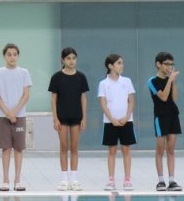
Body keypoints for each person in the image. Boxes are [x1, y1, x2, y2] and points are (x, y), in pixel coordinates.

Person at [0, 44, 32, 193]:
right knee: (6, 148)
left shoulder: (24, 72)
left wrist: (14, 111)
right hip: (3, 116)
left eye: (15, 54)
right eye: (9, 54)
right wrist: (7, 112)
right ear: (4, 56)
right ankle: (5, 180)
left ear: (18, 56)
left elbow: (26, 95)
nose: (12, 57)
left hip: (19, 116)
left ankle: (18, 180)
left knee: (19, 148)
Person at [48, 47, 89, 192]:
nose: (71, 61)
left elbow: (83, 98)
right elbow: (54, 99)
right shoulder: (57, 77)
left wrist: (84, 117)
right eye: (68, 58)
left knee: (75, 147)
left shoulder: (81, 77)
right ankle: (64, 179)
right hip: (62, 116)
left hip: (76, 116)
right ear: (63, 60)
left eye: (73, 58)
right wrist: (55, 118)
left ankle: (74, 179)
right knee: (64, 147)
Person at [96, 54, 136, 192]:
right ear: (110, 66)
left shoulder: (127, 81)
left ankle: (127, 180)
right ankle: (111, 180)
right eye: (119, 63)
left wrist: (126, 116)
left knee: (126, 149)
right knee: (112, 150)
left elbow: (131, 101)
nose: (122, 65)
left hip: (126, 121)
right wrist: (112, 119)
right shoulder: (103, 83)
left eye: (122, 63)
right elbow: (103, 103)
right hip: (110, 122)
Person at [148, 53, 181, 192]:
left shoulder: (170, 79)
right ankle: (161, 181)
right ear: (158, 64)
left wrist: (173, 81)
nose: (169, 67)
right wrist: (170, 80)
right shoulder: (152, 81)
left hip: (173, 115)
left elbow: (174, 97)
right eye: (166, 64)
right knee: (160, 149)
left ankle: (172, 180)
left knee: (171, 149)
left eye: (171, 64)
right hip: (160, 117)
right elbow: (163, 97)